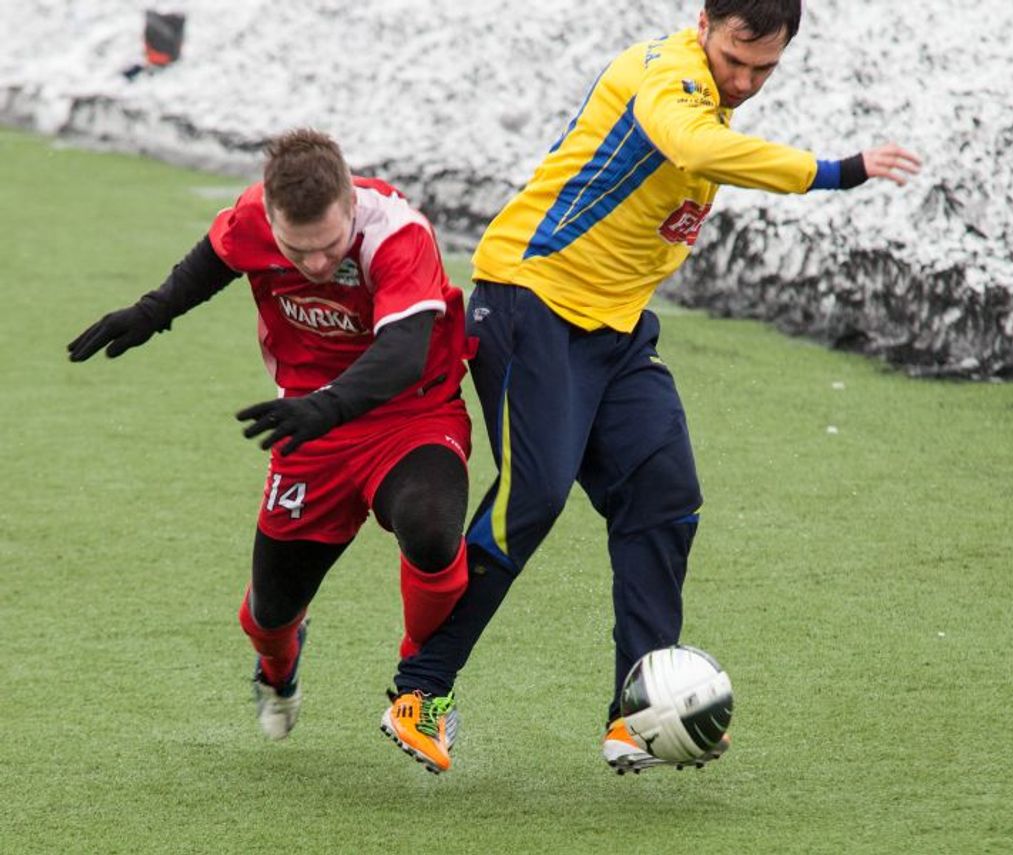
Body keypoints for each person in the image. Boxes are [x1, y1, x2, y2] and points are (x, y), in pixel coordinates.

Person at [393, 0, 923, 774]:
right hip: (528, 301)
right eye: (735, 58)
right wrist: (837, 172)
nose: (744, 81)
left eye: (764, 69)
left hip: (614, 329)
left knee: (664, 496)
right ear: (704, 22)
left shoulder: (715, 90)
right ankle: (420, 689)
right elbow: (692, 145)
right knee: (533, 495)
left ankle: (638, 712)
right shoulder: (666, 75)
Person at [67, 128, 475, 774]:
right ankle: (277, 669)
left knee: (431, 527)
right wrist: (150, 313)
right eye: (296, 249)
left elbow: (403, 353)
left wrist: (327, 404)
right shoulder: (255, 215)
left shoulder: (397, 233)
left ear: (350, 203)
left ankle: (422, 690)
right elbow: (215, 257)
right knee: (270, 612)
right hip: (308, 424)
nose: (315, 264)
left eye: (329, 246)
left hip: (412, 412)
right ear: (273, 218)